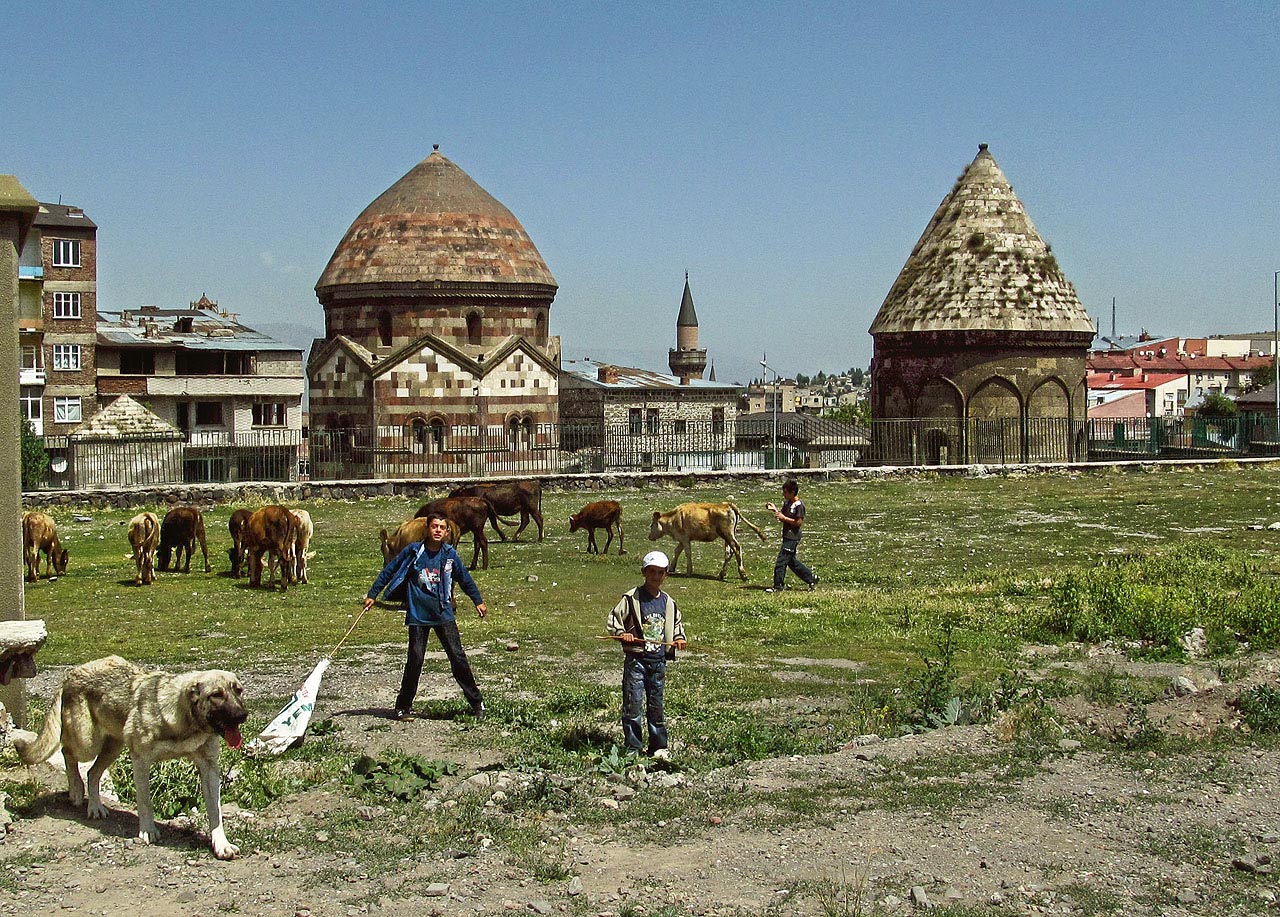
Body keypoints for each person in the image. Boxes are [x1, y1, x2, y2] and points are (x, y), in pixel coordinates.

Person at [363, 511, 487, 721]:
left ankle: (477, 703)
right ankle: (403, 707)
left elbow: (465, 579)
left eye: (442, 527)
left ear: (447, 532)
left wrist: (478, 601)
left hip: (443, 613)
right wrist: (373, 594)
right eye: (434, 527)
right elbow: (390, 570)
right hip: (418, 615)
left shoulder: (449, 555)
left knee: (457, 658)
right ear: (427, 529)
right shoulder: (414, 552)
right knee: (415, 659)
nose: (438, 530)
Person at [606, 550, 687, 757]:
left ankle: (658, 746)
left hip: (658, 661)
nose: (656, 577)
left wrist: (678, 638)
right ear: (644, 572)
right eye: (652, 572)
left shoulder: (668, 602)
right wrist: (622, 634)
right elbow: (615, 619)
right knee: (633, 704)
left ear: (666, 574)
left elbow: (676, 624)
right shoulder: (632, 598)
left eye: (660, 573)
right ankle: (633, 747)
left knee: (656, 705)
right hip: (636, 660)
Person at [766, 479, 818, 593]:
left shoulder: (799, 505)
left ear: (792, 492)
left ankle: (778, 585)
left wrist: (784, 519)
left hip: (793, 537)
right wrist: (775, 510)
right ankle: (811, 578)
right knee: (792, 562)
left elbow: (798, 522)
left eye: (785, 492)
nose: (783, 494)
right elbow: (783, 515)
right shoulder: (787, 503)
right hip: (786, 535)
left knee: (781, 561)